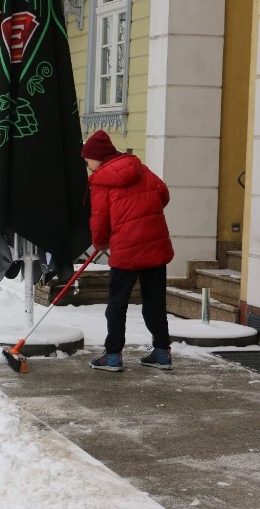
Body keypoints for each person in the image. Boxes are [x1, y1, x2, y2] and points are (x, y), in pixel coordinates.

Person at [81, 129, 175, 372]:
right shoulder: (140, 168)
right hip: (154, 243)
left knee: (117, 303)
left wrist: (101, 242)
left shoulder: (101, 180)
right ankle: (162, 353)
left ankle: (112, 356)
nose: (87, 164)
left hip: (125, 250)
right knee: (155, 301)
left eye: (87, 159)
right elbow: (162, 193)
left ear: (98, 158)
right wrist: (145, 217)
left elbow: (100, 220)